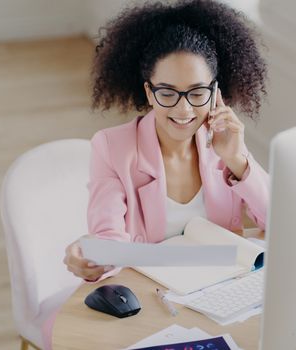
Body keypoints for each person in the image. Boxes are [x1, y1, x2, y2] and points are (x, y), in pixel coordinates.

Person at [43, 1, 268, 348]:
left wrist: (238, 159)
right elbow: (109, 237)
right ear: (149, 91)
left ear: (215, 93)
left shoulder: (224, 142)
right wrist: (94, 256)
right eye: (167, 93)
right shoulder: (112, 147)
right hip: (154, 307)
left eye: (197, 92)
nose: (184, 109)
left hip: (223, 302)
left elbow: (279, 224)